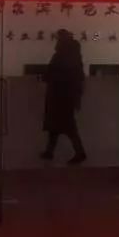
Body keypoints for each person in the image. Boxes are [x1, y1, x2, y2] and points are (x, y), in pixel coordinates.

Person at [40, 29, 87, 164]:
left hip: (60, 97)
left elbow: (52, 73)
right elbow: (79, 78)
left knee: (68, 127)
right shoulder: (74, 56)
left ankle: (80, 152)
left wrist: (46, 77)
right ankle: (49, 152)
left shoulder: (61, 56)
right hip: (67, 96)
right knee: (56, 127)